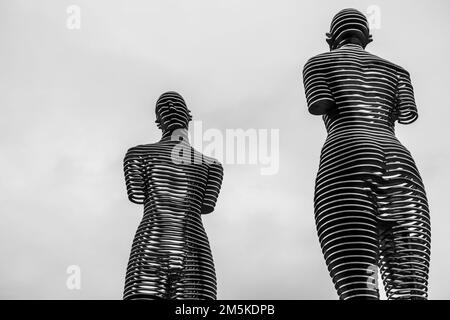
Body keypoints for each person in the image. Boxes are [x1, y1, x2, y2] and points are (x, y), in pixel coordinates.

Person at [302, 8, 430, 300]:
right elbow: (406, 113)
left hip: (346, 154)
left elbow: (319, 103)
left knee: (359, 286)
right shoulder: (398, 71)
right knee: (410, 288)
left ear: (330, 38)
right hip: (399, 160)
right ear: (368, 37)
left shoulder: (318, 63)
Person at [123, 91, 224, 300]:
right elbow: (206, 205)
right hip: (193, 249)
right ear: (189, 117)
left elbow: (137, 194)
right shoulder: (212, 166)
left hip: (151, 243)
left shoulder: (137, 155)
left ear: (158, 121)